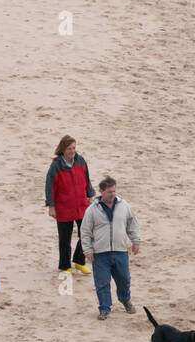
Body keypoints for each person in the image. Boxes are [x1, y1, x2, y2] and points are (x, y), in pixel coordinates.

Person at [79, 176, 141, 320]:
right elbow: (85, 231)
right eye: (109, 192)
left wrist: (135, 241)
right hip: (100, 253)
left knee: (124, 279)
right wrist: (87, 250)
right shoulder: (92, 210)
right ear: (101, 192)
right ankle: (104, 308)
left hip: (120, 251)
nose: (112, 194)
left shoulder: (124, 205)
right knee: (102, 283)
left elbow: (132, 223)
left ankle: (125, 299)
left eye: (114, 191)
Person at [44, 135, 94, 274]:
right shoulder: (56, 165)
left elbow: (87, 179)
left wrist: (90, 195)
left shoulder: (80, 160)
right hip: (64, 207)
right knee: (64, 239)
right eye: (69, 148)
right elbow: (50, 187)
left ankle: (79, 261)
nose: (72, 151)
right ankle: (65, 266)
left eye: (74, 148)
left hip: (81, 205)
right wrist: (51, 206)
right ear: (63, 149)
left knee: (87, 233)